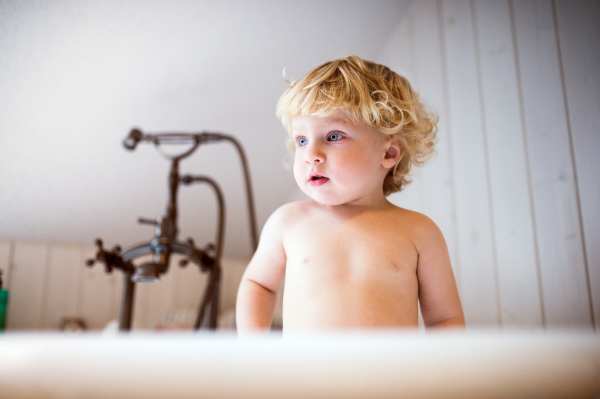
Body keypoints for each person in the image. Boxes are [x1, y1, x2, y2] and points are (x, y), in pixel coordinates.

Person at [236, 55, 465, 335]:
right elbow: (258, 284)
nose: (311, 155)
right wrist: (254, 348)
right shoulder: (288, 222)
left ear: (389, 152)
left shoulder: (419, 232)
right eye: (302, 140)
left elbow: (445, 319)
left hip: (391, 377)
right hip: (304, 376)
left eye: (333, 136)